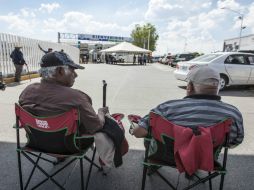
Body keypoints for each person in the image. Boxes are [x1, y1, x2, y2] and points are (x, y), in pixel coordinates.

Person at [130, 65, 244, 148]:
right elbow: (235, 141)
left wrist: (133, 128)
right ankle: (193, 171)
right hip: (207, 160)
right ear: (217, 87)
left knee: (149, 137)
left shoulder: (166, 108)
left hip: (168, 157)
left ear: (189, 87)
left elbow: (139, 132)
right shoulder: (233, 113)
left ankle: (152, 166)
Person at [19, 51, 109, 140]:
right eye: (72, 70)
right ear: (60, 71)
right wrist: (101, 112)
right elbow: (96, 126)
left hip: (36, 142)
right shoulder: (76, 97)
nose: (76, 75)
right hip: (68, 147)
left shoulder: (27, 91)